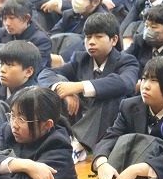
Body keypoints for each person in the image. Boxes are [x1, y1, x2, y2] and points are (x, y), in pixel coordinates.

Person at [38, 13, 139, 153]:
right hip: (80, 116)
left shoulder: (126, 60)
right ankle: (58, 140)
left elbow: (125, 82)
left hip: (112, 124)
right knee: (54, 89)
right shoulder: (81, 59)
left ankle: (77, 144)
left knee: (110, 97)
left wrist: (79, 86)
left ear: (114, 40)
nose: (91, 42)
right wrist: (63, 90)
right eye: (88, 37)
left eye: (98, 37)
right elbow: (46, 73)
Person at [92, 56, 163, 179]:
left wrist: (138, 169)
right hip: (122, 175)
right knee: (126, 139)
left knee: (153, 144)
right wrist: (102, 164)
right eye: (144, 78)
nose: (145, 86)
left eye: (154, 80)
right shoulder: (129, 106)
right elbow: (111, 137)